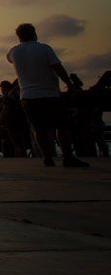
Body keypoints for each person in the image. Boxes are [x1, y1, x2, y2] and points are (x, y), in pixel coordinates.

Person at [6, 22, 87, 168]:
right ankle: (67, 157)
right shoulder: (44, 49)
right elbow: (57, 67)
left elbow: (9, 58)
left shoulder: (14, 52)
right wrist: (69, 84)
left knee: (39, 128)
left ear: (19, 36)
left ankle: (47, 157)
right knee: (62, 126)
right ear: (34, 33)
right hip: (49, 94)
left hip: (27, 96)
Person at [0, 80, 31, 157]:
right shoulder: (17, 95)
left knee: (16, 143)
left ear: (3, 88)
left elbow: (5, 111)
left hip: (11, 123)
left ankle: (20, 158)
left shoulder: (8, 97)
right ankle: (22, 157)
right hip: (21, 121)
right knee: (20, 142)